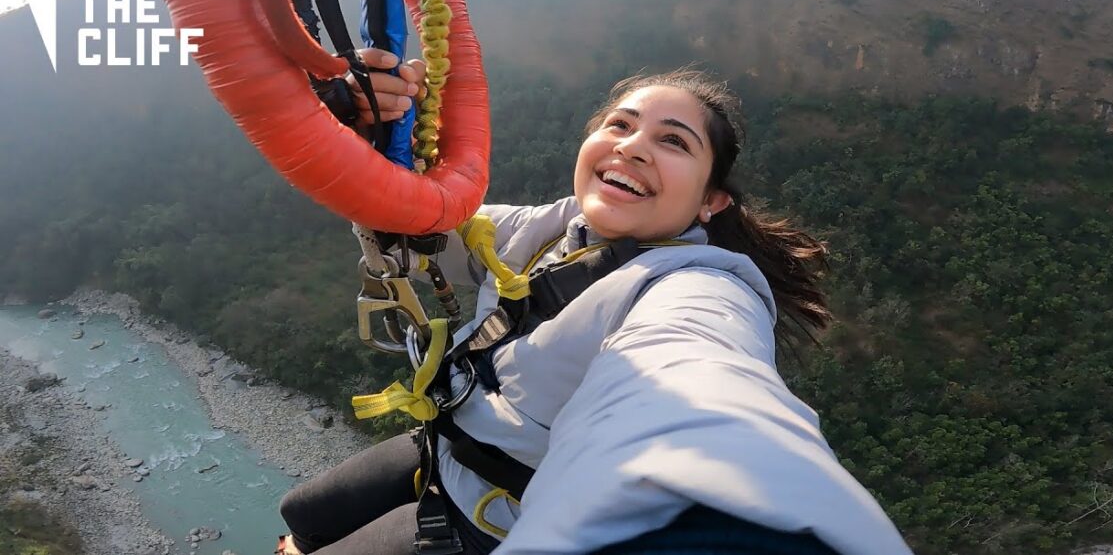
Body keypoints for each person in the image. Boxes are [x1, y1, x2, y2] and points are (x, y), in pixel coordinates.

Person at [276, 50, 912, 555]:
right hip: (447, 446)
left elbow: (698, 378)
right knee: (298, 515)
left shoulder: (696, 287)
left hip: (493, 516)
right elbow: (413, 228)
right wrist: (365, 139)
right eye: (621, 125)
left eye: (674, 142)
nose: (633, 146)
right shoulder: (547, 229)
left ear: (711, 201)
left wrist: (725, 509)